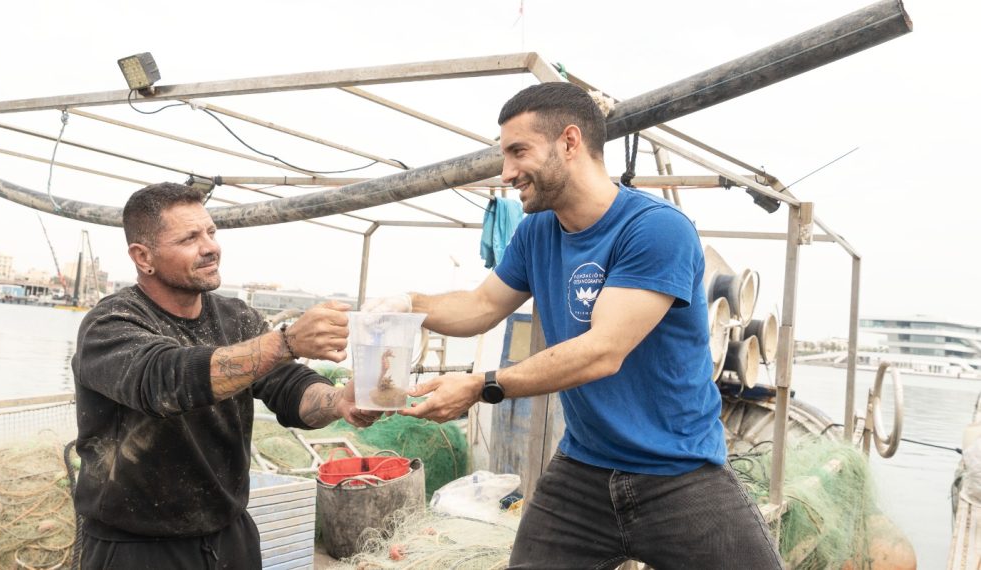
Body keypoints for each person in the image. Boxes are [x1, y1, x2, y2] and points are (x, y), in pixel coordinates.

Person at [374, 82, 784, 569]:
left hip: (678, 470)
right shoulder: (537, 232)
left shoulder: (655, 228)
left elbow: (602, 351)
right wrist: (405, 303)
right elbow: (481, 306)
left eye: (518, 152)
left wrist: (481, 385)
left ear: (569, 142)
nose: (506, 172)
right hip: (583, 470)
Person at [71, 182, 379, 569]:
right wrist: (286, 342)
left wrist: (338, 401)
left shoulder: (237, 318)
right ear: (143, 256)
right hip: (137, 547)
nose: (210, 247)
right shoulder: (111, 324)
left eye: (211, 232)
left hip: (229, 537)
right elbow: (166, 380)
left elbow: (287, 386)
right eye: (189, 238)